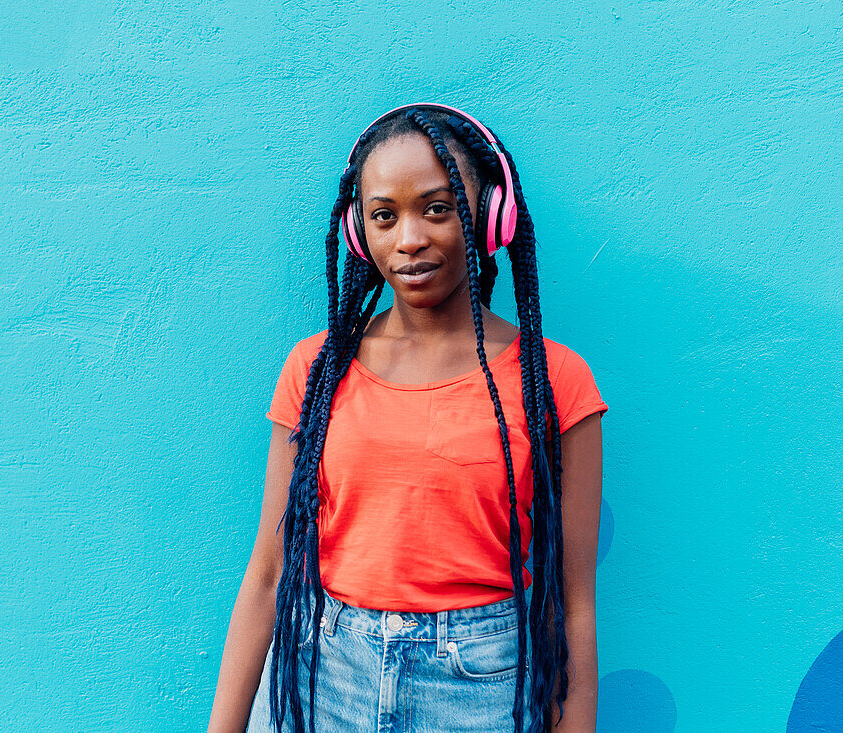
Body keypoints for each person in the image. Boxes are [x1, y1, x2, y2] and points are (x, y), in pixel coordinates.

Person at [208, 103, 608, 733]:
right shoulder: (316, 370)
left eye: (438, 208)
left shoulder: (556, 382)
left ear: (492, 218)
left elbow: (572, 603)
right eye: (384, 216)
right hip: (319, 677)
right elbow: (268, 573)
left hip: (479, 690)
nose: (409, 238)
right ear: (358, 231)